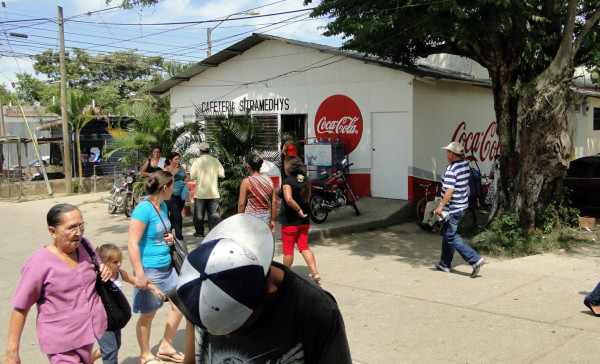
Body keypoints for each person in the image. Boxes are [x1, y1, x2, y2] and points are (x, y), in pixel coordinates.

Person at [169, 214, 352, 364]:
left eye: (237, 325)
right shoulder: (194, 290)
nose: (228, 334)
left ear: (269, 288)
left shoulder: (315, 309)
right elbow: (191, 358)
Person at [4, 203, 111, 364]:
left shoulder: (85, 246)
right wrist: (12, 353)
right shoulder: (39, 263)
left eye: (81, 225)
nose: (78, 232)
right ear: (52, 231)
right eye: (71, 228)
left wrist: (103, 268)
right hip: (60, 342)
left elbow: (95, 267)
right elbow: (21, 307)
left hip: (88, 333)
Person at [127, 170, 185, 364]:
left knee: (180, 305)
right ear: (165, 188)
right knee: (149, 313)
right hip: (149, 269)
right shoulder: (144, 209)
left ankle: (166, 346)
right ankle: (145, 355)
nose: (175, 187)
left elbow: (159, 232)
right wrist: (140, 275)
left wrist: (168, 238)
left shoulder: (163, 206)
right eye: (173, 184)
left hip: (167, 267)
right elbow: (132, 243)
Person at [91, 244, 166, 364]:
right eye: (115, 262)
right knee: (110, 350)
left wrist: (154, 288)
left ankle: (89, 359)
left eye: (120, 261)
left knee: (114, 345)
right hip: (101, 320)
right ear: (103, 263)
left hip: (115, 317)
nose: (119, 264)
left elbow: (137, 281)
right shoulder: (97, 277)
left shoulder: (120, 273)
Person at [434, 142, 485, 278]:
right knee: (447, 234)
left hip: (453, 209)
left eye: (447, 152)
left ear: (451, 153)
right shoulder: (464, 165)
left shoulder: (451, 170)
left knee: (451, 236)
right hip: (463, 206)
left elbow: (449, 191)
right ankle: (444, 264)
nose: (446, 154)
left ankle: (475, 260)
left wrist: (440, 206)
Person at [278, 156, 321, 283]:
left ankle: (284, 277)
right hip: (304, 222)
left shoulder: (287, 181)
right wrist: (302, 211)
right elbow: (307, 198)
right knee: (304, 246)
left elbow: (289, 199)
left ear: (289, 167)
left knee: (288, 250)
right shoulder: (304, 180)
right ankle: (314, 272)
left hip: (290, 221)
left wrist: (298, 210)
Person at [189, 142, 224, 237]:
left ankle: (199, 232)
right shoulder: (215, 161)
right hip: (213, 193)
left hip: (200, 193)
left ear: (200, 151)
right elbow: (222, 174)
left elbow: (192, 176)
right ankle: (213, 234)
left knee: (199, 215)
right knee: (213, 215)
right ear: (209, 150)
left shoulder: (197, 161)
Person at [237, 154, 277, 232]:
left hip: (250, 217)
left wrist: (240, 219)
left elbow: (241, 204)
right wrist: (272, 220)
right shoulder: (269, 180)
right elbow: (274, 202)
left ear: (248, 166)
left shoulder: (247, 182)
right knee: (263, 242)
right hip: (266, 217)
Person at [164, 152, 187, 241]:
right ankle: (179, 236)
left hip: (181, 194)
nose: (178, 161)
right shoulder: (166, 169)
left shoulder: (181, 168)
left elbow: (186, 176)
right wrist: (174, 173)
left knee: (174, 215)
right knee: (178, 215)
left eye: (178, 159)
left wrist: (185, 180)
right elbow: (165, 180)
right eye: (175, 159)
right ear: (170, 160)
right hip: (170, 195)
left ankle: (168, 231)